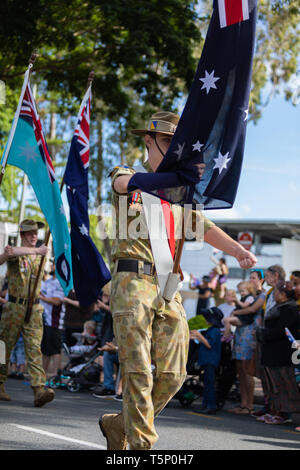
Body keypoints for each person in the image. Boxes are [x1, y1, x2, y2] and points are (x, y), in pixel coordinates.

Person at [98, 111, 257, 450]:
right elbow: (122, 185)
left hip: (167, 286)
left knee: (173, 375)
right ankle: (142, 448)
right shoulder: (130, 175)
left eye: (176, 144)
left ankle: (119, 424)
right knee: (138, 371)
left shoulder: (180, 198)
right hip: (132, 282)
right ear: (149, 140)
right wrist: (173, 179)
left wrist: (238, 251)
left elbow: (205, 227)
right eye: (167, 141)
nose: (172, 149)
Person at [0, 219, 54, 406]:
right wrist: (37, 251)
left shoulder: (41, 255)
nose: (34, 236)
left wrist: (40, 252)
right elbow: (10, 253)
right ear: (22, 235)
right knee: (4, 346)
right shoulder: (17, 252)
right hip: (14, 306)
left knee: (34, 349)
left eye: (36, 232)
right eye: (30, 233)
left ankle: (39, 389)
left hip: (34, 307)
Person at [256, 280, 300, 425]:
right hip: (271, 352)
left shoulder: (290, 308)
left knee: (284, 384)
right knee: (273, 385)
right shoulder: (280, 306)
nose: (274, 295)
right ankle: (274, 411)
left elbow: (282, 330)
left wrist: (263, 334)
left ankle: (284, 413)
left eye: (276, 293)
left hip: (282, 353)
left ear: (283, 294)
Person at [227, 270, 266, 415]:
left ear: (261, 280)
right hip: (240, 333)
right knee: (240, 370)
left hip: (251, 336)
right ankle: (243, 403)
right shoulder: (249, 296)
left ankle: (249, 405)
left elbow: (252, 309)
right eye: (250, 277)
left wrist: (235, 312)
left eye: (254, 278)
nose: (251, 280)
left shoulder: (263, 295)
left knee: (247, 370)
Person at [190, 308, 224, 414]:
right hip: (206, 360)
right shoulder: (210, 330)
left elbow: (209, 344)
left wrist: (199, 336)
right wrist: (196, 337)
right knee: (206, 383)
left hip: (211, 360)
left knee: (210, 383)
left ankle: (211, 405)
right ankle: (205, 404)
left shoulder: (215, 331)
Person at [40, 261, 65, 379]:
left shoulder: (60, 283)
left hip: (54, 322)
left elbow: (57, 301)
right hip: (44, 321)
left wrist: (42, 297)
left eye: (54, 264)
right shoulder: (48, 281)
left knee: (55, 350)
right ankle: (42, 375)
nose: (51, 266)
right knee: (45, 350)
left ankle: (55, 375)